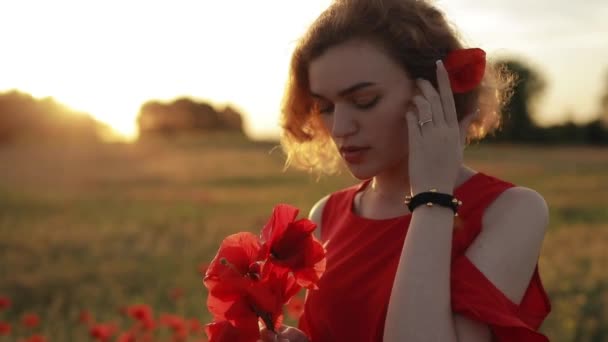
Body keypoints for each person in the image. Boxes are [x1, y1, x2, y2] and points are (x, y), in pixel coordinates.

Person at [259, 0, 551, 341]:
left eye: (364, 100)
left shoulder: (512, 210)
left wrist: (433, 194)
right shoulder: (327, 214)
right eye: (325, 106)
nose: (339, 127)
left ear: (432, 93)